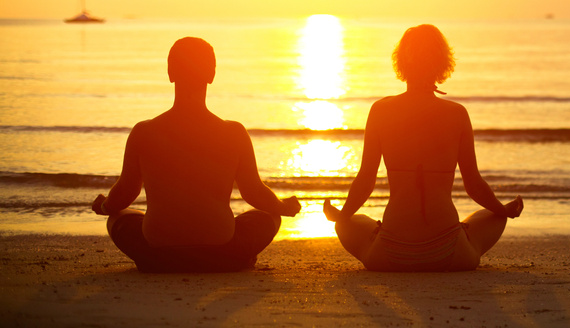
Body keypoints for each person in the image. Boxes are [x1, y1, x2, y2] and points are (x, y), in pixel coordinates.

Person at [323, 24, 523, 272]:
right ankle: (462, 236)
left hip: (389, 253)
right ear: (442, 62)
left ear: (401, 62)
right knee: (494, 216)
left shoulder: (381, 111)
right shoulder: (457, 114)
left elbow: (366, 179)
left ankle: (376, 238)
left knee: (351, 222)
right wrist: (503, 209)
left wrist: (341, 216)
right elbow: (473, 184)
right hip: (450, 252)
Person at [92, 37, 301, 272]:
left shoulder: (144, 131)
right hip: (220, 250)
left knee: (119, 218)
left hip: (159, 252)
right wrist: (282, 207)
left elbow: (125, 192)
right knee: (268, 217)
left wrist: (105, 207)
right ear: (211, 75)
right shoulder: (233, 132)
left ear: (170, 72)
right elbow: (254, 192)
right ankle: (235, 260)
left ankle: (156, 261)